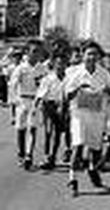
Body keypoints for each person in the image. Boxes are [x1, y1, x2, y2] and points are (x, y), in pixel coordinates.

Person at [64, 39, 110, 197]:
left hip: (97, 114)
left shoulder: (103, 73)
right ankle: (73, 179)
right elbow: (68, 95)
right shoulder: (75, 73)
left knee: (95, 149)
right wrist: (79, 88)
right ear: (83, 55)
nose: (92, 57)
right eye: (89, 54)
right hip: (79, 114)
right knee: (78, 146)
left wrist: (108, 90)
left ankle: (92, 169)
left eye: (95, 54)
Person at [9, 39, 47, 169]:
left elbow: (45, 86)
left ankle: (29, 155)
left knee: (32, 128)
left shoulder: (42, 68)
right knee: (21, 129)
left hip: (35, 101)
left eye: (39, 52)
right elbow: (13, 85)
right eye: (34, 51)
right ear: (28, 52)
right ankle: (21, 153)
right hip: (22, 100)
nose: (36, 55)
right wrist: (14, 101)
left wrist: (42, 100)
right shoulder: (21, 68)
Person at [35, 51, 70, 170]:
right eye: (58, 63)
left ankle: (54, 156)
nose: (60, 66)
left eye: (63, 63)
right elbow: (40, 95)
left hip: (64, 107)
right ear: (54, 64)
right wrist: (36, 109)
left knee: (58, 134)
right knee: (49, 132)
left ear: (66, 64)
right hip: (49, 106)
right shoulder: (48, 78)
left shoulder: (69, 78)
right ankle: (47, 157)